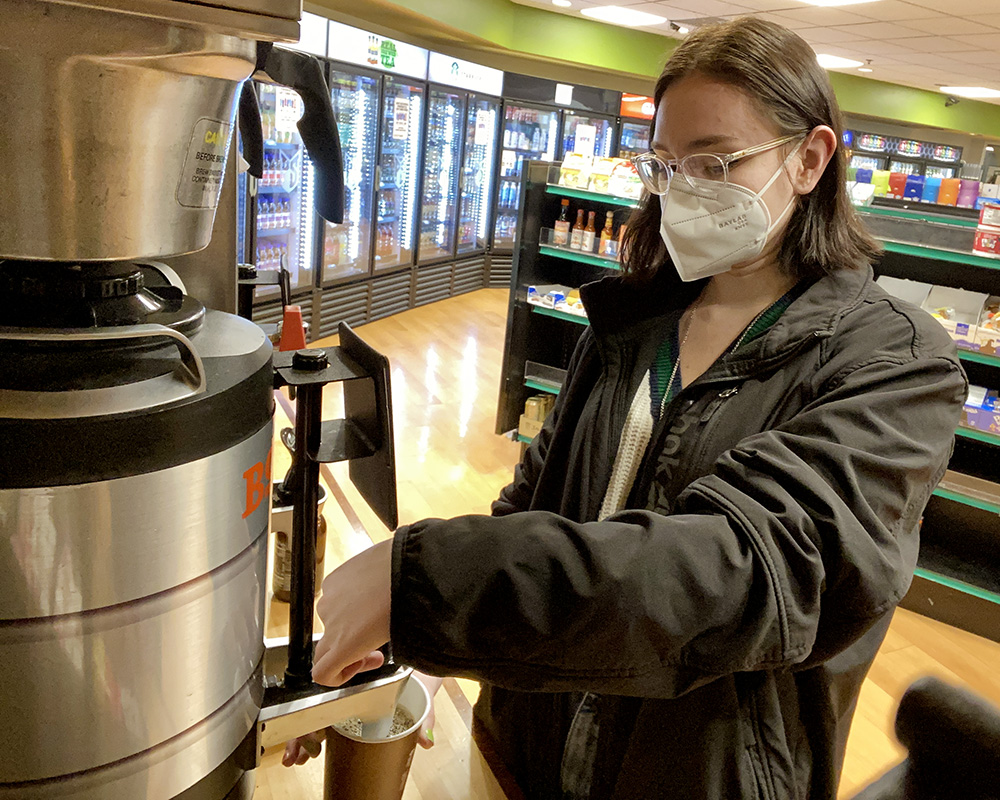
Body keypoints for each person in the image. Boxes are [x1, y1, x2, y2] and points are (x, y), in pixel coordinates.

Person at [285, 16, 967, 799]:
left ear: (810, 160)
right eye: (667, 166)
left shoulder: (894, 361)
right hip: (530, 735)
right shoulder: (634, 322)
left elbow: (749, 571)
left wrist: (432, 586)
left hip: (695, 773)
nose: (682, 194)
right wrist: (430, 650)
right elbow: (532, 506)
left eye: (715, 162)